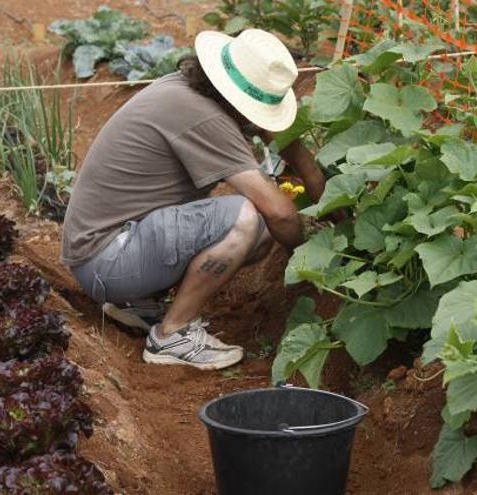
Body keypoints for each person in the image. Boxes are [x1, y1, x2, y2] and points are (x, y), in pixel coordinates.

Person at [61, 29, 328, 370]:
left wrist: (315, 178)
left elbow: (288, 148)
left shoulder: (189, 90)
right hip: (108, 261)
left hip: (108, 250)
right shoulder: (204, 117)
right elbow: (282, 214)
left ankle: (140, 303)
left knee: (258, 233)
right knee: (247, 218)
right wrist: (309, 258)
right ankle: (172, 335)